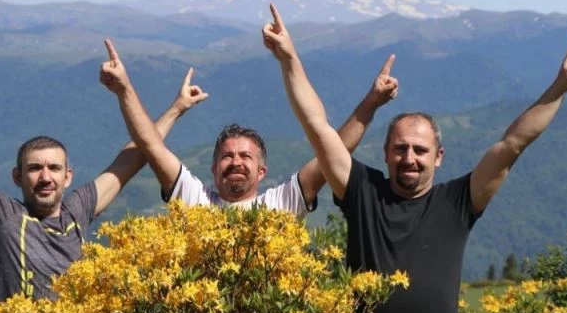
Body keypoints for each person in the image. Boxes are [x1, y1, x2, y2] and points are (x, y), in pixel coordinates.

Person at [263, 3, 567, 313]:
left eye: (420, 150)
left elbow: (513, 143)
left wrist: (561, 86)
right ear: (386, 153)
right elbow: (316, 125)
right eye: (400, 148)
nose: (410, 157)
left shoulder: (459, 202)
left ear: (439, 156)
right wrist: (289, 59)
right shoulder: (361, 192)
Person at [0, 58, 206, 301]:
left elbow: (133, 158)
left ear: (68, 176)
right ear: (17, 177)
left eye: (54, 168)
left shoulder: (79, 210)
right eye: (34, 169)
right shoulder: (1, 216)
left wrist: (174, 108)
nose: (45, 177)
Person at [99, 38, 398, 215]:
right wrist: (125, 89)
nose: (236, 162)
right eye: (227, 157)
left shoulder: (280, 205)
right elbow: (150, 145)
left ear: (262, 171)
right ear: (213, 169)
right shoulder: (195, 201)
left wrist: (370, 103)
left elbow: (333, 152)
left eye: (246, 157)